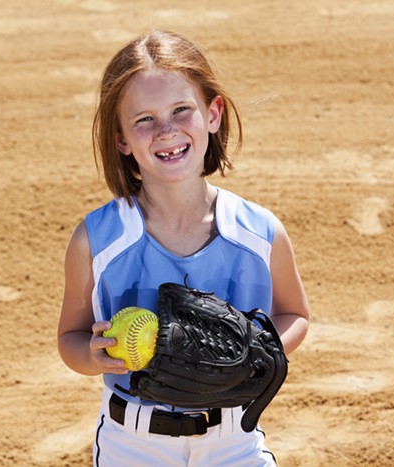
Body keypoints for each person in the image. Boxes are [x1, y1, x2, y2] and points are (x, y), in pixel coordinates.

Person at [57, 29, 310, 466]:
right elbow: (70, 338)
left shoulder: (259, 232)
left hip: (233, 440)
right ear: (121, 139)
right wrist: (92, 355)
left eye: (181, 110)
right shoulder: (97, 240)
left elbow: (296, 314)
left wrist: (256, 353)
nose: (166, 131)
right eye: (144, 119)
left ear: (213, 113)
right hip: (133, 444)